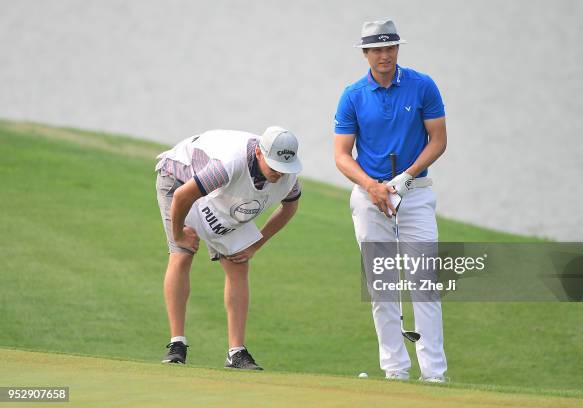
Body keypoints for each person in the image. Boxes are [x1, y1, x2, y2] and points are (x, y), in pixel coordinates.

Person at [333, 20, 448, 381]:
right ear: (365, 54)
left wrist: (405, 177)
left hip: (414, 194)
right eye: (377, 50)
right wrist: (372, 185)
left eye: (391, 48)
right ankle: (395, 369)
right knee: (382, 286)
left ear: (398, 49)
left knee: (424, 283)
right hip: (370, 199)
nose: (385, 55)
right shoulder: (352, 95)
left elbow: (438, 140)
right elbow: (341, 155)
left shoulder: (422, 85)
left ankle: (434, 374)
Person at [155, 126, 302, 370]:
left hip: (222, 191)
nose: (279, 173)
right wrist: (179, 234)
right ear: (259, 154)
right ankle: (177, 345)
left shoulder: (288, 178)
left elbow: (289, 208)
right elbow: (183, 195)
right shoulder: (230, 165)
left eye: (284, 168)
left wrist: (256, 245)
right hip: (180, 176)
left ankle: (236, 353)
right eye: (274, 166)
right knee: (182, 254)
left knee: (239, 263)